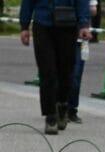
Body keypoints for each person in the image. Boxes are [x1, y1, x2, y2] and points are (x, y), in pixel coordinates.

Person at [19, 0, 92, 135]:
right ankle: (51, 116)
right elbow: (28, 2)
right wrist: (24, 26)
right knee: (47, 72)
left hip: (68, 24)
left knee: (66, 72)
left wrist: (84, 24)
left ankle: (63, 104)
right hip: (42, 25)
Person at [67, 0, 97, 124]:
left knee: (76, 74)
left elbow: (93, 10)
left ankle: (71, 109)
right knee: (67, 73)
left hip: (80, 37)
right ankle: (61, 107)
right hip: (64, 33)